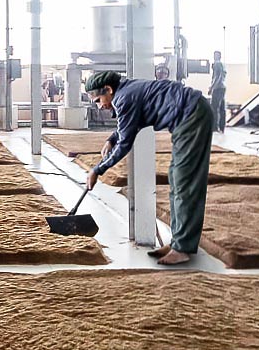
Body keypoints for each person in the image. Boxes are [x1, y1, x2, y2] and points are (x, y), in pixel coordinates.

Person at [84, 68, 214, 267]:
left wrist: (97, 170)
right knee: (177, 178)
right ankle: (178, 242)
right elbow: (128, 125)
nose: (100, 106)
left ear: (108, 89)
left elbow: (126, 143)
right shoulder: (126, 92)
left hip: (192, 116)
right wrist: (112, 139)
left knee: (185, 181)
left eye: (98, 100)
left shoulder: (123, 98)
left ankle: (183, 248)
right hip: (188, 116)